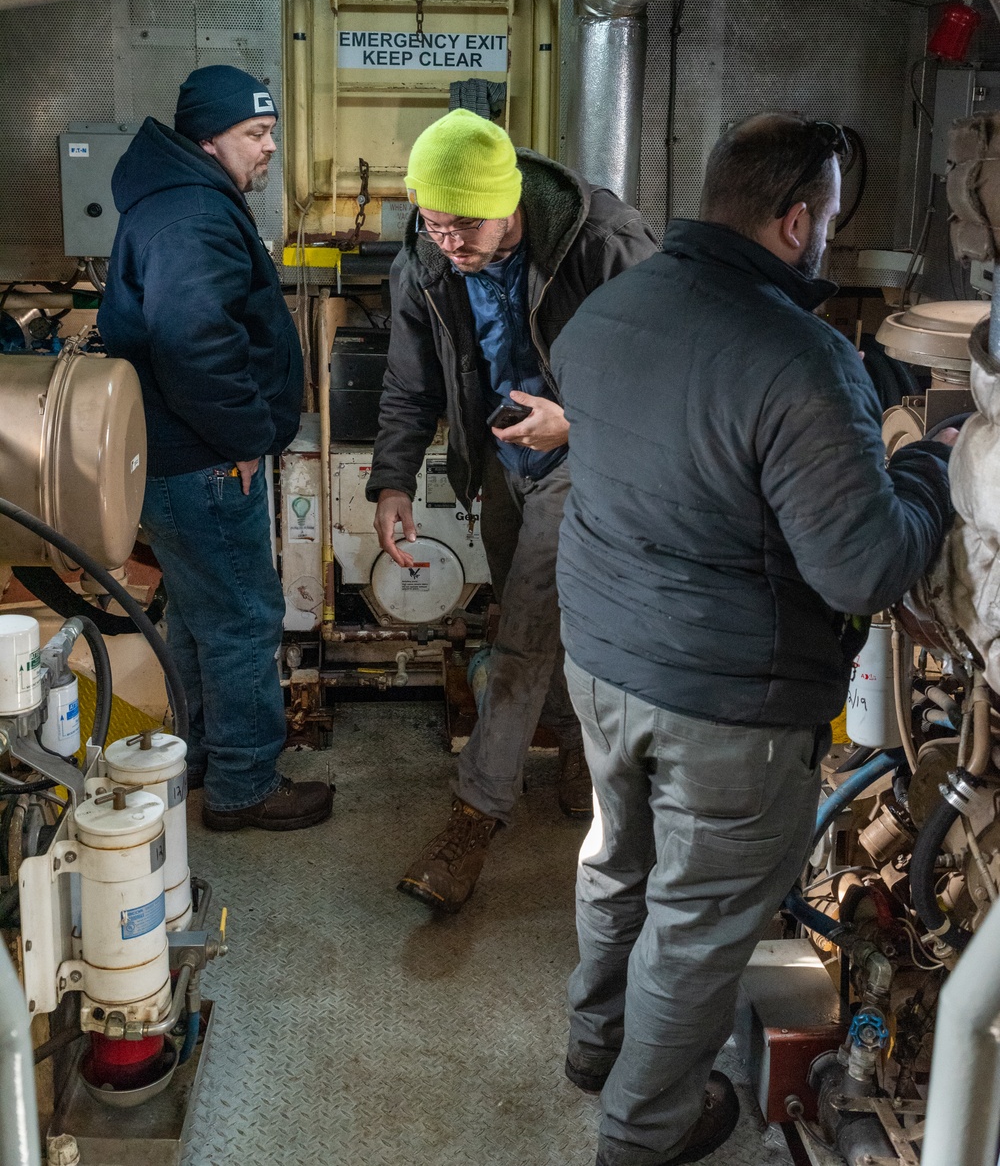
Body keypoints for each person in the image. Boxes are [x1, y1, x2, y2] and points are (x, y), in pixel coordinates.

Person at [550, 113, 955, 1166]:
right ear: (791, 222)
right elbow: (863, 567)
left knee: (615, 862)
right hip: (725, 700)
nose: (825, 238)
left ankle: (595, 1045)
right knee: (696, 923)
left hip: (598, 657)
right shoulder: (800, 355)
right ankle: (644, 1131)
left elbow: (700, 439)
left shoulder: (606, 310)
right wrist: (929, 466)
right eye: (824, 220)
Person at [367, 108, 657, 912]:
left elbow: (669, 374)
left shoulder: (606, 244)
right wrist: (393, 480)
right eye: (433, 223)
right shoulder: (428, 256)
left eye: (464, 225)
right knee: (529, 614)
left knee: (523, 632)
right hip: (503, 461)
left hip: (585, 460)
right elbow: (409, 378)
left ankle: (473, 818)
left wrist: (578, 420)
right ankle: (569, 749)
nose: (449, 241)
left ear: (511, 204)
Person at [98, 65, 332, 834]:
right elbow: (195, 341)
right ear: (209, 138)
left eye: (269, 133)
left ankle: (200, 756)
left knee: (201, 617)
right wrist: (246, 438)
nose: (268, 150)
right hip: (203, 456)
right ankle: (243, 782)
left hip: (176, 454)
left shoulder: (177, 199)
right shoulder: (192, 215)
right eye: (255, 135)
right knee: (241, 617)